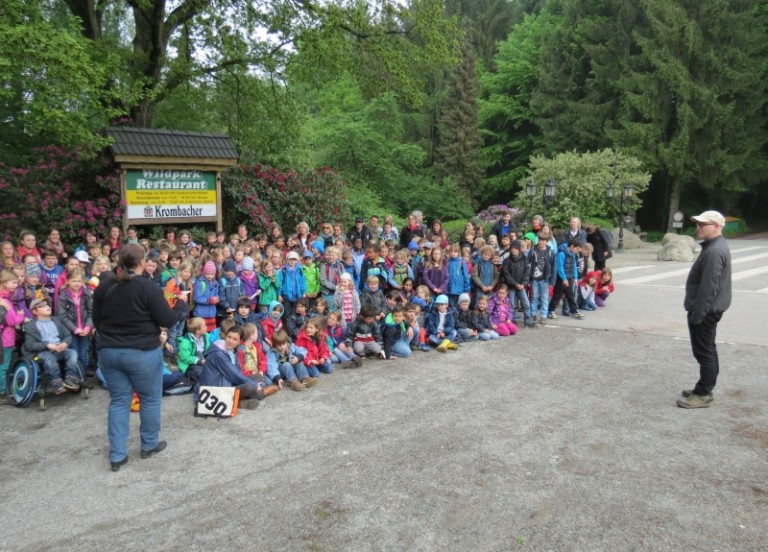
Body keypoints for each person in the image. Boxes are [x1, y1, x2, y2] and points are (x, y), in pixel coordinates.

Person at [93, 244, 187, 472]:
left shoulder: (105, 286)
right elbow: (167, 317)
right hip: (142, 352)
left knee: (118, 401)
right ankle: (149, 444)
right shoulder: (147, 286)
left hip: (110, 352)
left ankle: (117, 455)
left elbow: (97, 321)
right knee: (150, 399)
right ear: (142, 262)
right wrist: (182, 303)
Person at [677, 210, 732, 409]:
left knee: (704, 352)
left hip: (706, 311)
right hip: (709, 309)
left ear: (717, 226)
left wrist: (698, 315)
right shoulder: (714, 247)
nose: (698, 227)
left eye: (703, 224)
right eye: (698, 224)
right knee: (708, 349)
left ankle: (703, 393)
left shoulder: (715, 251)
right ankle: (704, 388)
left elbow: (710, 287)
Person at [195, 325, 263, 409]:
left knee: (258, 376)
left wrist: (252, 382)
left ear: (239, 341)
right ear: (225, 337)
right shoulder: (218, 354)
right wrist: (254, 385)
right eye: (229, 337)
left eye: (235, 339)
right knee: (251, 387)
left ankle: (240, 399)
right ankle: (238, 403)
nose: (230, 341)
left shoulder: (233, 351)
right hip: (213, 392)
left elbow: (237, 372)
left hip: (226, 383)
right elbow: (234, 375)